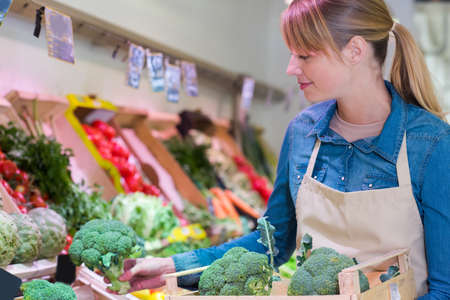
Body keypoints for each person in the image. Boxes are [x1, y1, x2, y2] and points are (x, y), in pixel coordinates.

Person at [107, 0, 449, 298]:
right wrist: (173, 266)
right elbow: (271, 244)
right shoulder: (303, 132)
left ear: (355, 51)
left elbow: (445, 289)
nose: (290, 68)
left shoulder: (431, 144)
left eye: (305, 55)